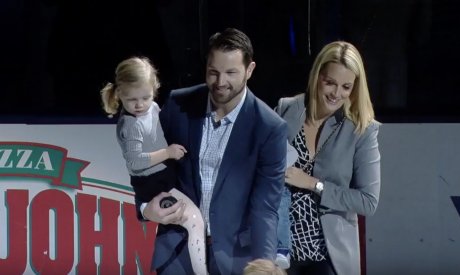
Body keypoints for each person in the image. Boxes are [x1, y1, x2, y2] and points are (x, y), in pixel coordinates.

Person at [138, 28, 288, 275]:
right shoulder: (178, 105)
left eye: (231, 73)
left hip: (235, 258)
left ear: (249, 70)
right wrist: (145, 207)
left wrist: (264, 265)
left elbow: (265, 207)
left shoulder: (269, 128)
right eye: (213, 72)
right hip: (177, 253)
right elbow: (145, 165)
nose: (220, 83)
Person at [274, 41, 381, 275]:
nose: (336, 93)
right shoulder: (286, 109)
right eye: (330, 82)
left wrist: (314, 184)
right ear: (317, 76)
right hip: (279, 253)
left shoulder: (362, 129)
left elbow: (368, 201)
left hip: (327, 257)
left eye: (346, 87)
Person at [100, 56, 207, 275]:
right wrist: (167, 152)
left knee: (195, 220)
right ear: (120, 94)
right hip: (152, 185)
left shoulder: (154, 108)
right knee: (195, 220)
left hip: (166, 177)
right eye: (132, 100)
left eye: (145, 97)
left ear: (154, 90)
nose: (139, 105)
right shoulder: (130, 125)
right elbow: (135, 161)